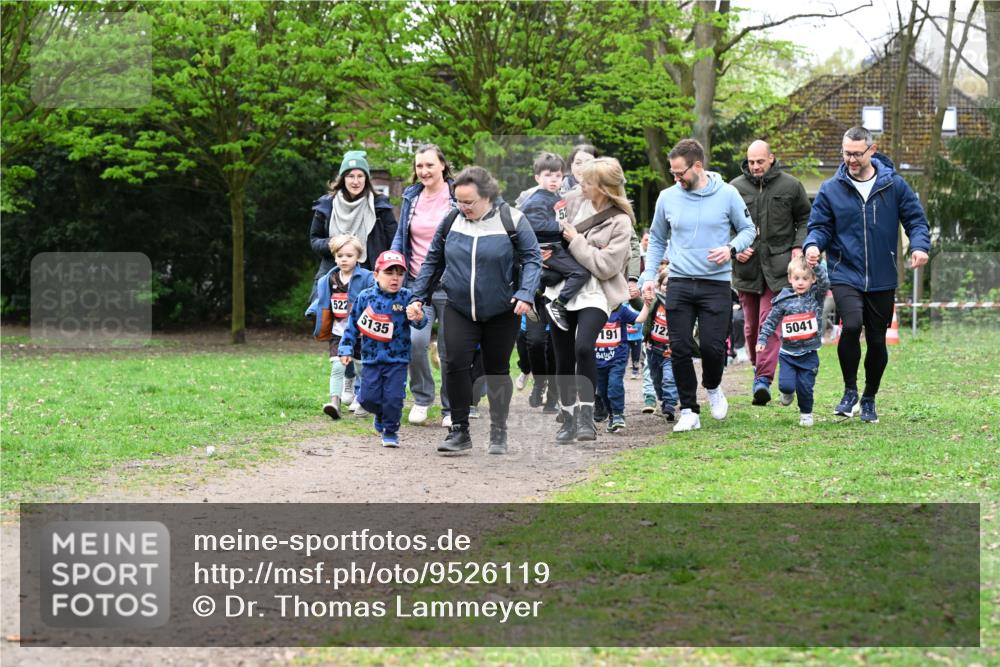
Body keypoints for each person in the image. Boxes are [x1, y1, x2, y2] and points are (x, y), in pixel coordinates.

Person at [408, 166, 541, 456]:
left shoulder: (512, 220)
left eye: (469, 202)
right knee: (454, 362)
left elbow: (533, 259)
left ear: (487, 196)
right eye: (458, 200)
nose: (462, 207)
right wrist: (418, 297)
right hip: (457, 306)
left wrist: (525, 293)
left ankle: (498, 431)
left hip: (501, 310)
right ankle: (459, 430)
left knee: (495, 369)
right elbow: (432, 261)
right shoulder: (451, 221)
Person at [803, 126, 930, 423]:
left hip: (883, 274)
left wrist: (920, 246)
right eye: (846, 153)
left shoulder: (894, 185)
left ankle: (869, 397)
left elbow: (916, 221)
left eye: (857, 154)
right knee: (851, 326)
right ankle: (849, 391)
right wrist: (813, 245)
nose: (851, 159)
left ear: (872, 151)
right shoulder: (831, 188)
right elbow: (819, 226)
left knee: (876, 340)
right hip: (844, 270)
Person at [640, 138, 756, 433]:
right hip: (678, 281)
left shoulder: (728, 194)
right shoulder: (667, 197)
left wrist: (730, 249)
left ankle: (714, 386)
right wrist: (650, 276)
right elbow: (656, 240)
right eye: (673, 173)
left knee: (712, 348)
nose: (676, 179)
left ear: (698, 166)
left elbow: (748, 230)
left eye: (680, 173)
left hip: (715, 283)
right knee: (677, 347)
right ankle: (689, 409)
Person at [544, 157, 634, 444]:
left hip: (597, 292)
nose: (580, 184)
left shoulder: (620, 221)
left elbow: (606, 266)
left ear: (604, 188)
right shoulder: (571, 202)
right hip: (561, 289)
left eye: (588, 181)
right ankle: (568, 418)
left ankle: (587, 417)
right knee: (563, 355)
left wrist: (576, 241)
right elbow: (547, 234)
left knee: (583, 347)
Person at [729, 140, 812, 405]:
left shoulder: (791, 186)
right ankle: (759, 371)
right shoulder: (734, 188)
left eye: (760, 161)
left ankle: (763, 380)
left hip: (779, 269)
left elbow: (805, 219)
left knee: (770, 322)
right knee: (752, 327)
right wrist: (735, 246)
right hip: (748, 269)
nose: (755, 166)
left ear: (771, 159)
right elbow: (722, 222)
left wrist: (799, 246)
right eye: (751, 162)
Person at [391, 144, 456, 427]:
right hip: (419, 285)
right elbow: (400, 237)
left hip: (453, 284)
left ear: (442, 165)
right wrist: (393, 268)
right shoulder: (411, 197)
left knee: (451, 348)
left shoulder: (457, 195)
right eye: (419, 166)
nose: (424, 171)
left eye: (430, 165)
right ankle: (421, 397)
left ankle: (452, 407)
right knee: (416, 343)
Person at [338, 250, 427, 448]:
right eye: (389, 273)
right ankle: (378, 413)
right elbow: (352, 325)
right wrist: (345, 348)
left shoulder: (407, 298)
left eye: (400, 274)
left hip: (398, 360)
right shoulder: (365, 297)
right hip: (370, 359)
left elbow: (420, 324)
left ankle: (390, 431)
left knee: (394, 398)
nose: (395, 278)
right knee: (368, 398)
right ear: (376, 274)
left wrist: (419, 317)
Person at [518, 152, 592, 330]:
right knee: (581, 273)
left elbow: (561, 219)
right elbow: (535, 225)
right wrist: (560, 227)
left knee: (554, 277)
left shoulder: (556, 197)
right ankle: (558, 304)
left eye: (558, 176)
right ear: (537, 178)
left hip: (558, 246)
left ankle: (534, 294)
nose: (553, 180)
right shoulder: (535, 200)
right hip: (547, 249)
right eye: (548, 175)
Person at [305, 235, 374, 420]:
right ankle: (334, 402)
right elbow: (322, 300)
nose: (344, 259)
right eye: (340, 255)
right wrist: (312, 310)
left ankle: (362, 398)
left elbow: (374, 299)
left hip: (360, 333)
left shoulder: (367, 278)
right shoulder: (329, 279)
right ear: (334, 257)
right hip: (338, 332)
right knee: (337, 367)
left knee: (360, 368)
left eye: (349, 255)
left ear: (358, 257)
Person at [755, 257, 830, 427]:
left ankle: (806, 413)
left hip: (809, 353)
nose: (801, 282)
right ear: (790, 279)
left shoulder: (816, 296)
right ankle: (788, 393)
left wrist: (815, 266)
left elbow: (825, 283)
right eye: (797, 278)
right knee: (786, 385)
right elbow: (771, 321)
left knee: (805, 387)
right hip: (788, 353)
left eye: (805, 278)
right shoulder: (783, 300)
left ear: (812, 280)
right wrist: (762, 339)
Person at [594, 300, 650, 432]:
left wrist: (647, 305)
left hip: (617, 357)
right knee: (602, 391)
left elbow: (639, 319)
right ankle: (612, 415)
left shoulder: (621, 310)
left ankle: (618, 413)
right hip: (597, 360)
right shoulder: (592, 311)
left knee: (614, 384)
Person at [645, 266, 679, 421]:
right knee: (656, 380)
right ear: (659, 286)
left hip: (670, 350)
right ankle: (664, 398)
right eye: (666, 284)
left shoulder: (681, 305)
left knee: (669, 378)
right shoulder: (655, 302)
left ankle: (670, 405)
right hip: (653, 348)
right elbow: (641, 309)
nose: (668, 288)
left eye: (672, 284)